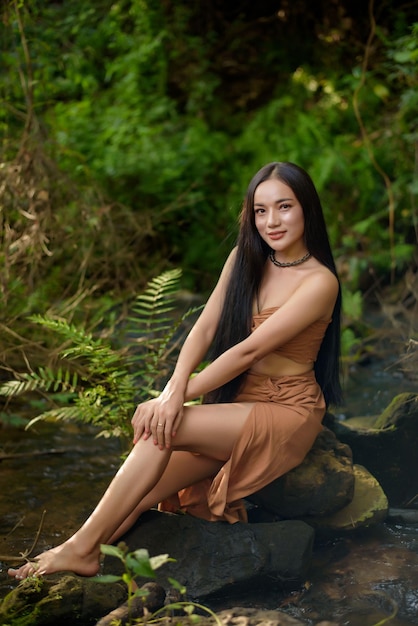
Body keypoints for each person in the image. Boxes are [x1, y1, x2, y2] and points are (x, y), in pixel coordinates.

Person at [8, 161, 341, 580]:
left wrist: (176, 400)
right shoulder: (245, 257)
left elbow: (247, 351)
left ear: (306, 208)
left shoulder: (319, 281)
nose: (271, 221)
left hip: (285, 411)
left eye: (284, 207)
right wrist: (173, 387)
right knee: (141, 493)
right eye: (260, 210)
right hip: (237, 403)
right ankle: (79, 551)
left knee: (159, 428)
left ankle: (78, 549)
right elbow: (205, 325)